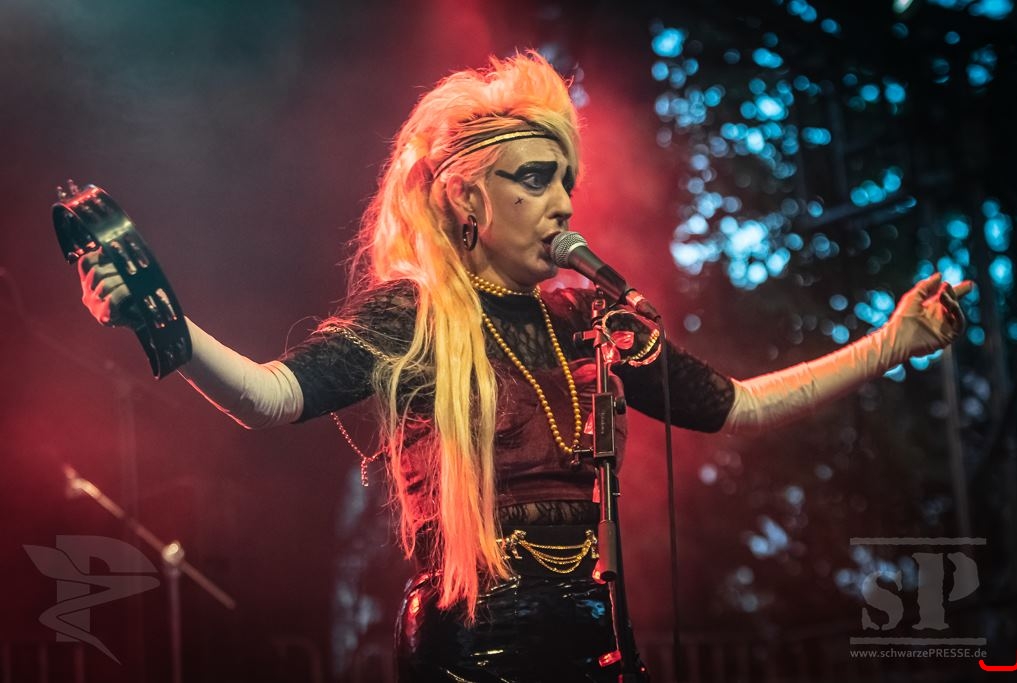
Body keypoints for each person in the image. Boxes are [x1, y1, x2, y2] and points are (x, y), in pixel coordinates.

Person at [76, 52, 972, 681]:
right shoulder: (415, 314)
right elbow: (275, 396)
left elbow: (730, 405)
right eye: (536, 178)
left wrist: (892, 343)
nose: (564, 203)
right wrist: (167, 326)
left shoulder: (591, 317)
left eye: (567, 180)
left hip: (594, 635)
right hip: (465, 645)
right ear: (468, 195)